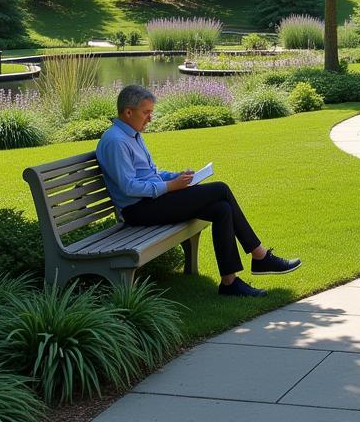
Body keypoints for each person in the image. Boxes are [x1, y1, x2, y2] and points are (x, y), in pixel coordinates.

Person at [97, 84, 301, 298]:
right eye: (146, 113)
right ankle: (260, 256)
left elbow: (150, 173)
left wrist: (175, 177)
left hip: (152, 202)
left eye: (151, 113)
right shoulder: (116, 141)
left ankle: (229, 283)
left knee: (221, 209)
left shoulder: (132, 135)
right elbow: (129, 187)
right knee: (221, 189)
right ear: (128, 112)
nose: (150, 118)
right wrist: (170, 186)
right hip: (138, 210)